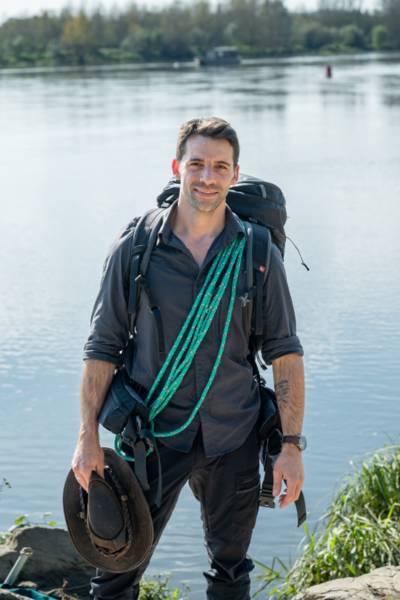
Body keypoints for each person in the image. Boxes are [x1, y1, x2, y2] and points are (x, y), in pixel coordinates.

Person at [72, 117, 305, 600]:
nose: (207, 176)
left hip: (234, 433)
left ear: (234, 174)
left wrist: (291, 446)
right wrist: (87, 438)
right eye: (197, 163)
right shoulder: (136, 248)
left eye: (220, 166)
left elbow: (284, 353)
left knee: (231, 570)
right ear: (177, 166)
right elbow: (102, 347)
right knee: (117, 568)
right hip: (153, 434)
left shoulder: (258, 253)